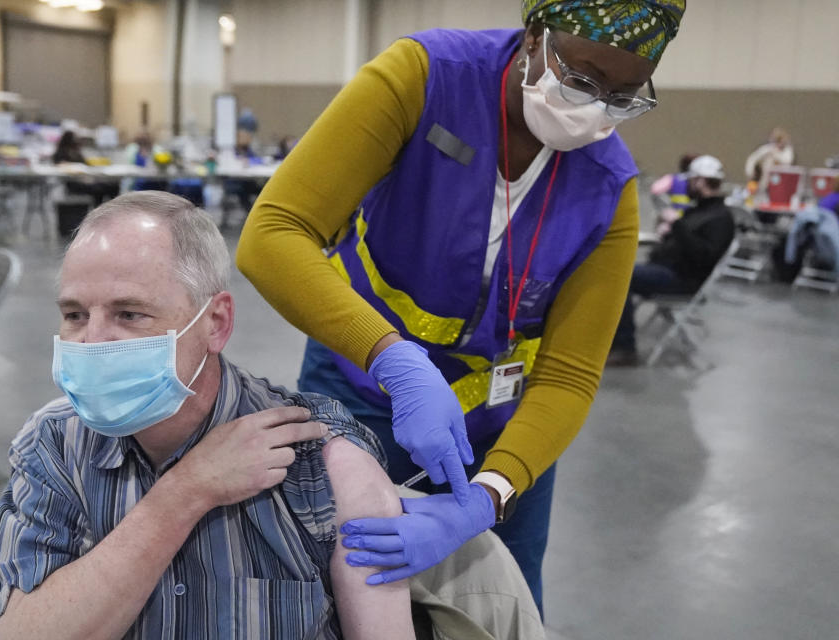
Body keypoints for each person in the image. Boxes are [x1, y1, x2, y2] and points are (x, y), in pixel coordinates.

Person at [236, 0, 686, 617]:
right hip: (366, 383)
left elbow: (569, 372)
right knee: (343, 589)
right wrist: (392, 356)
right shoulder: (424, 78)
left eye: (622, 96)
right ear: (534, 35)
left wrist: (491, 494)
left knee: (503, 602)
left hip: (504, 422)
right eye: (581, 79)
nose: (593, 108)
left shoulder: (609, 187)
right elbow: (274, 232)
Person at [0, 191, 421, 639]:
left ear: (215, 323)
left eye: (129, 313)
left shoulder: (320, 458)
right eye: (75, 314)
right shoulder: (54, 443)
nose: (92, 341)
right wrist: (187, 491)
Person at [607, 155, 735, 365]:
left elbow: (704, 256)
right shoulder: (699, 210)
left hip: (684, 280)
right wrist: (667, 232)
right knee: (619, 272)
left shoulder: (721, 218)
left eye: (691, 180)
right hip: (667, 270)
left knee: (620, 277)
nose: (687, 186)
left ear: (700, 181)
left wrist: (677, 225)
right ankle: (616, 339)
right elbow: (684, 239)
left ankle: (624, 347)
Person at [650, 152, 698, 237]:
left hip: (672, 220)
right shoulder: (700, 181)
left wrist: (666, 205)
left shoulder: (673, 179)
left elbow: (655, 190)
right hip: (692, 221)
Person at [745, 126, 795, 195]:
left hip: (781, 184)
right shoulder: (767, 149)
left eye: (779, 140)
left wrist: (775, 153)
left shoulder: (787, 151)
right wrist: (751, 172)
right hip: (765, 184)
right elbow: (752, 159)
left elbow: (787, 162)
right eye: (776, 140)